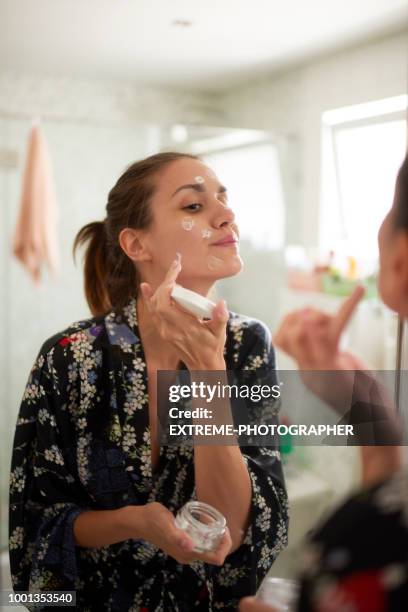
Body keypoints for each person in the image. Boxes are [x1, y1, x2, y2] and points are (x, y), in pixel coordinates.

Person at [8, 152, 288, 611]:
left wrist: (208, 371)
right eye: (194, 207)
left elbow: (237, 531)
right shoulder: (70, 357)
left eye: (223, 199)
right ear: (137, 245)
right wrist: (134, 522)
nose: (227, 214)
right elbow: (38, 524)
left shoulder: (246, 345)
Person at [239, 153, 408, 611]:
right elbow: (392, 492)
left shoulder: (368, 542)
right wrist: (361, 397)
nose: (226, 217)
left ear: (401, 261)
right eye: (193, 206)